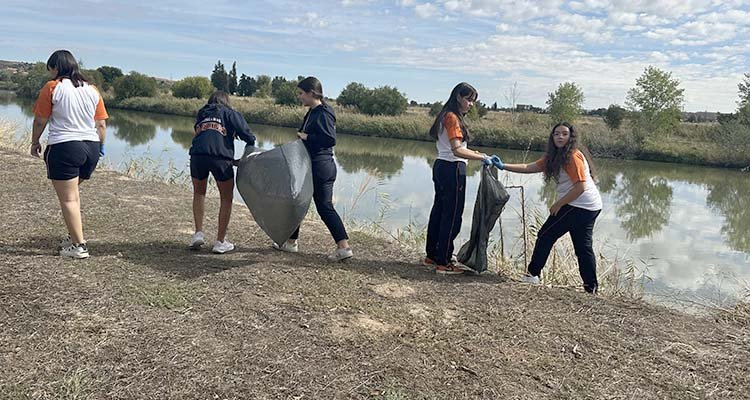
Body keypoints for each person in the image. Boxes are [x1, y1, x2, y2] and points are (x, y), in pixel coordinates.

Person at [493, 122, 602, 293]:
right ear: (552, 137)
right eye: (556, 134)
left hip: (580, 204)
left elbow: (580, 186)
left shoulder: (572, 156)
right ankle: (591, 288)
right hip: (590, 206)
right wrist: (503, 166)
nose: (560, 137)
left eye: (564, 134)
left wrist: (558, 204)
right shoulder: (555, 156)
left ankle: (532, 275)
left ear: (571, 137)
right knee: (583, 247)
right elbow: (530, 167)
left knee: (546, 234)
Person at [30, 50, 108, 259]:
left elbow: (40, 119)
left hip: (65, 146)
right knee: (73, 195)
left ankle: (79, 246)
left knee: (69, 199)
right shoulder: (92, 89)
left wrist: (35, 141)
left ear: (56, 67)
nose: (50, 74)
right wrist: (101, 146)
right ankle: (74, 236)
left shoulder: (53, 87)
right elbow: (100, 123)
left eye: (50, 69)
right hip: (90, 147)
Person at [273, 76, 353, 262]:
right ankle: (292, 243)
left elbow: (329, 139)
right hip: (312, 165)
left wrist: (306, 137)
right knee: (298, 202)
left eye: (301, 93)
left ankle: (344, 247)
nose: (299, 97)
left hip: (320, 166)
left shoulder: (324, 112)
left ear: (311, 93)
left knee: (323, 206)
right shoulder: (312, 112)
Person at [424, 82, 496, 275]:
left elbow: (453, 147)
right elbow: (457, 149)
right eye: (468, 99)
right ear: (458, 97)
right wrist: (482, 157)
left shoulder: (444, 115)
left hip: (440, 166)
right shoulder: (453, 118)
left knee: (439, 211)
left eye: (473, 101)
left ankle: (432, 255)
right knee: (452, 215)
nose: (471, 104)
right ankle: (444, 261)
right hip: (453, 169)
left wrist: (475, 153)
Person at [189, 91, 256, 254]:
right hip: (220, 158)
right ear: (227, 101)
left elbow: (203, 134)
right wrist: (244, 157)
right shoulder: (231, 113)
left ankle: (198, 233)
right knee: (226, 198)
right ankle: (220, 242)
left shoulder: (202, 113)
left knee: (199, 193)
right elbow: (250, 137)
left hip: (197, 155)